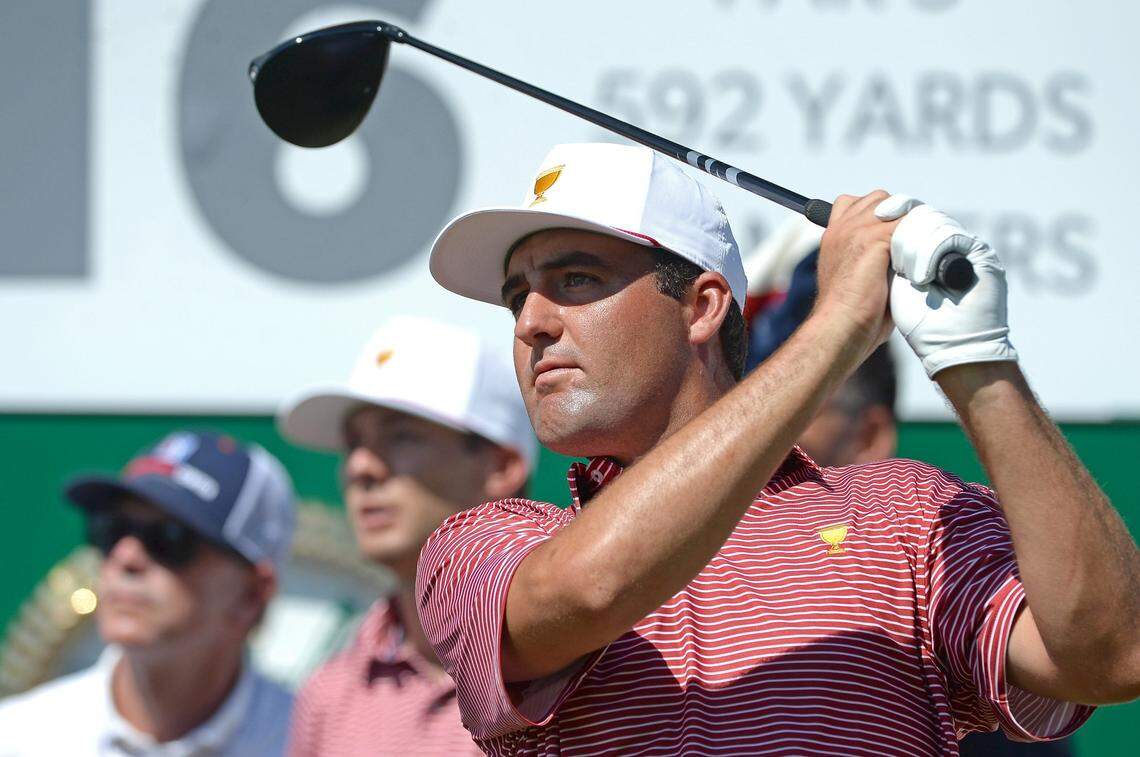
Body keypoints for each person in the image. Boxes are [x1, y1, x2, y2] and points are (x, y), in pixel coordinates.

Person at [414, 142, 1140, 754]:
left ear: (701, 307)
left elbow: (1113, 655)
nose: (531, 322)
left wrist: (978, 360)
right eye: (518, 296)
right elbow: (587, 590)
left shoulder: (908, 513)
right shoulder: (481, 543)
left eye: (576, 280)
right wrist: (838, 326)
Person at [747, 250, 1075, 756]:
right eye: (739, 407)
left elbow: (1109, 656)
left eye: (796, 407)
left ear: (871, 433)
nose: (749, 435)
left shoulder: (958, 607)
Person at [278, 316, 535, 756]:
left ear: (501, 467)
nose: (360, 468)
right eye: (353, 443)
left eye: (401, 437)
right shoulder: (327, 698)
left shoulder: (600, 668)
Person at [0, 431, 297, 756]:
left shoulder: (316, 743)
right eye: (112, 530)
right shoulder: (18, 738)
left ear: (252, 593)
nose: (126, 557)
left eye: (170, 538)